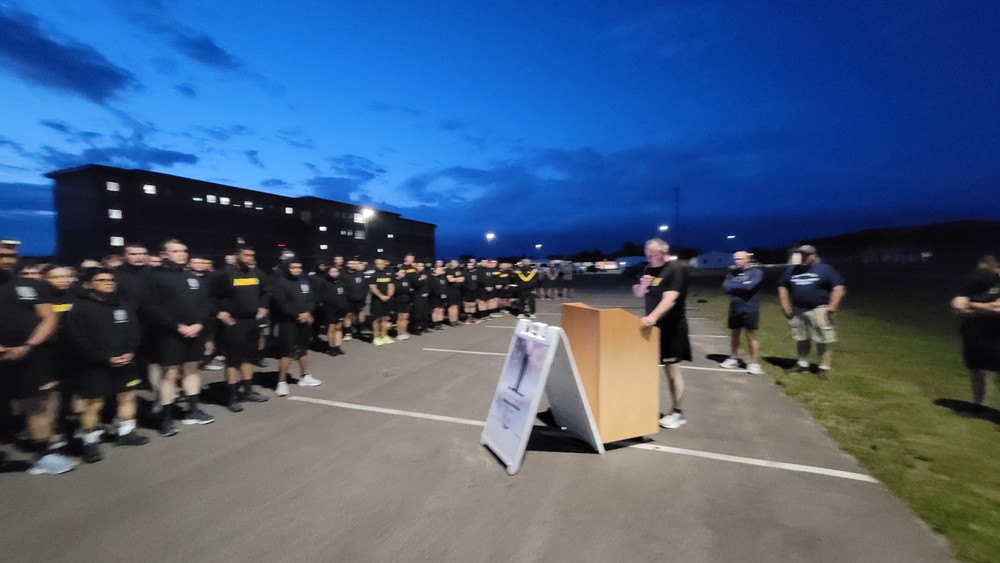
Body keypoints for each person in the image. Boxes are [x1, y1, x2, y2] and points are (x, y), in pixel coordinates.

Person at [0, 240, 76, 474]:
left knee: (41, 405)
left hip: (32, 356)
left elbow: (49, 318)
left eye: (11, 256)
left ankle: (44, 455)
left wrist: (29, 344)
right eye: (2, 255)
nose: (7, 260)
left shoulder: (32, 286)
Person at [64, 267, 150, 464]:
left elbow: (134, 331)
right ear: (88, 284)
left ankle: (126, 432)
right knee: (94, 404)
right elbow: (77, 340)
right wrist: (104, 358)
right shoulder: (79, 308)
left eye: (111, 280)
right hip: (93, 365)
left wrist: (130, 351)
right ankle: (90, 442)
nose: (108, 283)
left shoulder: (123, 305)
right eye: (101, 280)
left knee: (127, 396)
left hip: (125, 361)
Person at [145, 240, 215, 436]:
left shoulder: (191, 276)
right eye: (175, 251)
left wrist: (200, 323)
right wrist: (177, 326)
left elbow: (204, 303)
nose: (181, 254)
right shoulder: (154, 276)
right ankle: (166, 417)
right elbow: (151, 307)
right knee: (169, 374)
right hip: (169, 334)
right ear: (163, 254)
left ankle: (193, 410)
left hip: (194, 332)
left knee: (192, 370)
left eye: (184, 250)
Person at [633, 238, 691, 429]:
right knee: (649, 368)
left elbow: (670, 299)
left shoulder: (675, 269)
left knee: (671, 369)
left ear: (664, 252)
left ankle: (677, 412)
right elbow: (637, 293)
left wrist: (653, 317)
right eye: (646, 254)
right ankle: (645, 405)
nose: (649, 258)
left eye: (652, 254)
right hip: (652, 327)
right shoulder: (649, 268)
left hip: (671, 326)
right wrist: (642, 285)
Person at [211, 244, 270, 412]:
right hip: (233, 323)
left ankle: (249, 391)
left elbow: (266, 291)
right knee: (233, 361)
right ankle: (232, 397)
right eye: (246, 255)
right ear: (236, 255)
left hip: (251, 322)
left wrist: (263, 307)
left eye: (252, 255)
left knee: (248, 358)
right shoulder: (223, 274)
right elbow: (207, 295)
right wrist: (218, 312)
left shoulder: (255, 272)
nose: (250, 258)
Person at [777, 245, 846, 378]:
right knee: (801, 338)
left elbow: (838, 288)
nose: (803, 257)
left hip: (819, 309)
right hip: (798, 309)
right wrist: (785, 304)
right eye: (801, 255)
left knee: (822, 339)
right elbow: (782, 286)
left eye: (806, 255)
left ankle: (823, 368)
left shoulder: (825, 269)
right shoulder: (792, 270)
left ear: (814, 255)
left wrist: (832, 306)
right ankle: (802, 364)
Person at [951, 256, 1000, 408]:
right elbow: (958, 302)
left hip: (996, 333)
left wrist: (972, 304)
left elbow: (998, 308)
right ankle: (979, 404)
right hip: (974, 331)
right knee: (976, 368)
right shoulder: (976, 282)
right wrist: (960, 303)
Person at [270, 258, 321, 396]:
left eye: (299, 267)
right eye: (294, 267)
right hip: (288, 323)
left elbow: (312, 299)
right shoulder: (280, 283)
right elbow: (280, 303)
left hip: (304, 322)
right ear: (287, 268)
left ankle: (305, 376)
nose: (297, 270)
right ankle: (281, 382)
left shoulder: (304, 282)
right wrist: (296, 315)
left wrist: (308, 312)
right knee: (286, 353)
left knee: (303, 350)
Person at [720, 251, 764, 375]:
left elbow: (749, 287)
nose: (737, 261)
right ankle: (733, 358)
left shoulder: (756, 272)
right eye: (736, 259)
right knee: (734, 334)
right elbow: (725, 286)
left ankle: (754, 363)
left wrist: (735, 286)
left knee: (750, 336)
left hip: (750, 308)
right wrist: (740, 285)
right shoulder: (732, 272)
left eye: (740, 259)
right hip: (735, 308)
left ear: (747, 259)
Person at [318, 264, 348, 355]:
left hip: (341, 309)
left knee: (338, 328)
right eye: (332, 272)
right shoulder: (324, 282)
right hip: (330, 309)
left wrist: (343, 307)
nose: (334, 273)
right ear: (328, 273)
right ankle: (332, 347)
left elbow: (344, 295)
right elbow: (324, 297)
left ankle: (338, 346)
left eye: (336, 271)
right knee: (331, 328)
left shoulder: (341, 282)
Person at [368, 259, 395, 345]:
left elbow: (391, 285)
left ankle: (384, 336)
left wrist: (389, 295)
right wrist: (381, 296)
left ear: (385, 264)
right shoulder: (373, 275)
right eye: (378, 264)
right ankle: (376, 337)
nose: (380, 265)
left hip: (387, 300)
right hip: (377, 301)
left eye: (382, 264)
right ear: (376, 265)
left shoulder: (388, 274)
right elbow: (373, 287)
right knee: (377, 319)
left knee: (385, 318)